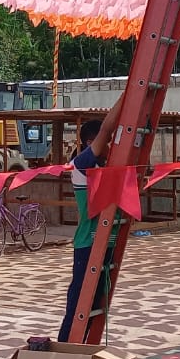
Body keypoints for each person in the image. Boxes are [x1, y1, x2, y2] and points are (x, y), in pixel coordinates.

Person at [59, 115, 112, 341]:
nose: (111, 146)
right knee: (78, 306)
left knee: (95, 307)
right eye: (107, 141)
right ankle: (65, 350)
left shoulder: (106, 168)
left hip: (105, 242)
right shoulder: (81, 165)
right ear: (92, 142)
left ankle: (82, 347)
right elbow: (105, 132)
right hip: (88, 244)